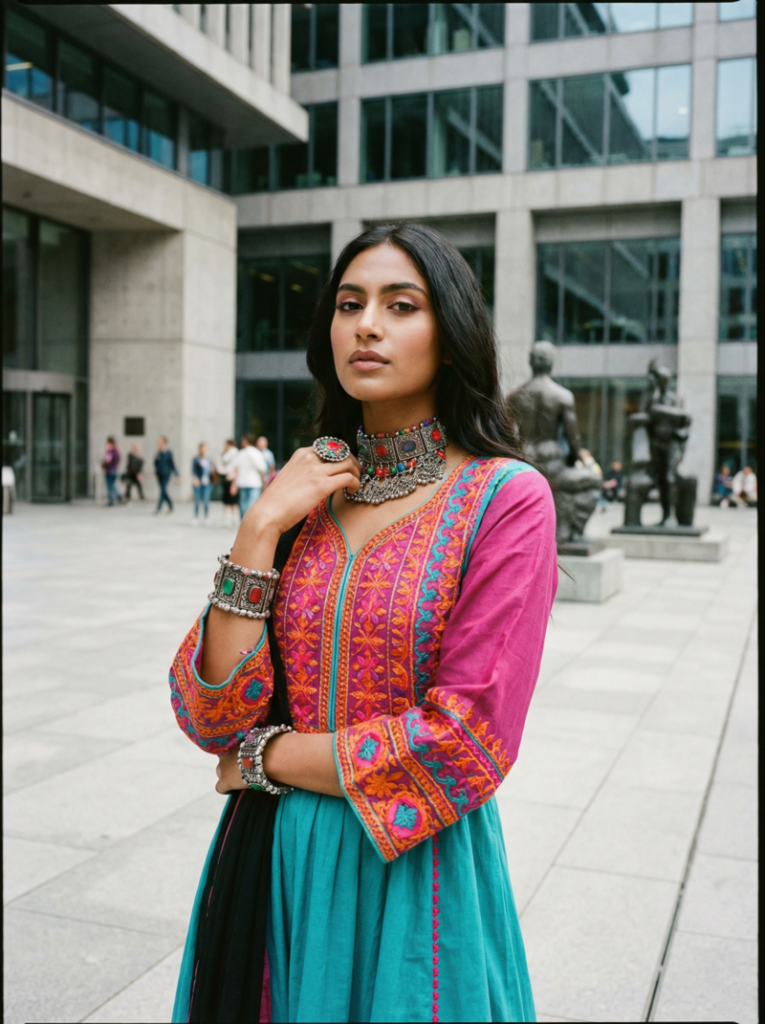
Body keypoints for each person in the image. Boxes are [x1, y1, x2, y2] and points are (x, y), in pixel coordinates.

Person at [169, 223, 557, 1023]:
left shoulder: (503, 498)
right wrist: (259, 529)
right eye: (349, 304)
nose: (366, 324)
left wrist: (268, 754)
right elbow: (213, 717)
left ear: (450, 337)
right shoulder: (303, 499)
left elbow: (466, 743)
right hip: (267, 861)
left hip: (413, 866)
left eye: (399, 304)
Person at [230, 433, 268, 519]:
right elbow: (262, 468)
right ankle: (251, 525)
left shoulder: (241, 453)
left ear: (246, 441)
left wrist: (233, 484)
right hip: (254, 483)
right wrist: (264, 480)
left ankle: (243, 525)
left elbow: (236, 469)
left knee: (243, 506)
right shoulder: (257, 453)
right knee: (252, 506)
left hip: (242, 483)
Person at [154, 436, 179, 514]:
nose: (158, 442)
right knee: (163, 491)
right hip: (159, 474)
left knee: (162, 490)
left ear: (164, 442)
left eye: (160, 441)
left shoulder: (168, 453)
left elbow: (172, 464)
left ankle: (159, 508)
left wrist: (176, 474)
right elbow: (155, 463)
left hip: (166, 474)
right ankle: (170, 505)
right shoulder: (159, 452)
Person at [217, 439, 239, 527]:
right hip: (230, 479)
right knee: (230, 500)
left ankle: (230, 519)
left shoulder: (232, 453)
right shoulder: (234, 453)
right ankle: (232, 519)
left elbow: (225, 466)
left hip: (230, 479)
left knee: (230, 500)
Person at [192, 443, 214, 526]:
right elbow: (193, 470)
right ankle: (196, 517)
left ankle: (206, 517)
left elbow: (212, 471)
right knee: (197, 500)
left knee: (206, 500)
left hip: (207, 483)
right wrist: (195, 478)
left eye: (205, 449)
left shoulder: (209, 460)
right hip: (199, 482)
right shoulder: (196, 459)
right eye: (202, 448)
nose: (204, 450)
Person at [102, 437, 122, 507]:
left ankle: (117, 498)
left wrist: (103, 465)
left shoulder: (110, 451)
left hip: (110, 471)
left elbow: (107, 460)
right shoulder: (117, 451)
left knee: (110, 487)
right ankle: (114, 500)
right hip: (115, 470)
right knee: (112, 486)